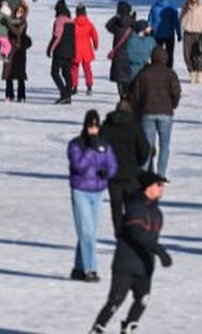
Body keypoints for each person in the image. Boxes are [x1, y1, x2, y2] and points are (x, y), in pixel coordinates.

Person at [89, 171, 173, 334]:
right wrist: (160, 251)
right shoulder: (135, 208)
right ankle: (98, 328)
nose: (162, 189)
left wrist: (156, 253)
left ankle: (128, 328)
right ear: (148, 188)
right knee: (115, 301)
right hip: (125, 265)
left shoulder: (157, 213)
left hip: (145, 266)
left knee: (142, 300)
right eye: (159, 185)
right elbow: (137, 234)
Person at [68, 109, 118, 282]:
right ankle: (90, 269)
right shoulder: (76, 144)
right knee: (87, 233)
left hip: (98, 193)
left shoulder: (105, 145)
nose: (93, 130)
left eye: (96, 126)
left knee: (88, 232)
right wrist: (91, 149)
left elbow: (112, 164)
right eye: (90, 126)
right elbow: (78, 166)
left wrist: (107, 173)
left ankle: (78, 268)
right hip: (80, 191)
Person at [100, 98, 151, 238]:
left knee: (116, 206)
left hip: (113, 175)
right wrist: (139, 164)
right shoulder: (135, 126)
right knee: (131, 206)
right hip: (131, 173)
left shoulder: (106, 127)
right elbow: (144, 149)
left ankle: (119, 233)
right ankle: (131, 233)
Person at [132, 47, 181, 178]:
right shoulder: (170, 74)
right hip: (166, 113)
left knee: (147, 145)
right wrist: (172, 105)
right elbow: (176, 92)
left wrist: (140, 108)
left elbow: (136, 94)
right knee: (164, 146)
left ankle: (144, 173)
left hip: (147, 112)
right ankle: (161, 174)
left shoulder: (144, 73)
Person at [47, 0, 76, 104]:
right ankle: (68, 96)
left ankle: (64, 94)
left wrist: (50, 48)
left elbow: (57, 36)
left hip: (60, 52)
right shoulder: (72, 21)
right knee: (67, 73)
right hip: (70, 52)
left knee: (54, 72)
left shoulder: (59, 20)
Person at [105, 2, 136, 98]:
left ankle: (121, 95)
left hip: (118, 55)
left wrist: (116, 17)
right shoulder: (131, 25)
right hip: (129, 55)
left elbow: (108, 25)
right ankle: (127, 93)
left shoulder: (117, 26)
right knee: (128, 77)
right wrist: (132, 18)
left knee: (119, 78)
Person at [3, 2, 31, 103]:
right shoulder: (10, 21)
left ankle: (21, 95)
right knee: (8, 72)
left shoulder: (23, 22)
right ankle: (9, 94)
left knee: (20, 74)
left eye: (21, 11)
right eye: (17, 11)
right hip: (10, 49)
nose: (19, 13)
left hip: (20, 50)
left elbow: (18, 31)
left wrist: (9, 25)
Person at [179, 0, 202, 83]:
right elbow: (181, 16)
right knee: (187, 55)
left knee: (197, 55)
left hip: (198, 33)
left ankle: (199, 72)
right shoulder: (186, 5)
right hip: (187, 32)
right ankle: (191, 72)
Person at [147, 0, 180, 69]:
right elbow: (176, 22)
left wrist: (150, 30)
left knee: (157, 52)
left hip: (157, 33)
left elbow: (150, 19)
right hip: (169, 34)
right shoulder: (172, 8)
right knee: (169, 53)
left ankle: (156, 67)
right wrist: (179, 34)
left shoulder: (155, 6)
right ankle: (168, 69)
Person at [72, 3, 99, 96]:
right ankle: (89, 86)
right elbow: (94, 35)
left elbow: (68, 36)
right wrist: (95, 45)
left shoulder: (73, 24)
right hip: (87, 50)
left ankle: (74, 86)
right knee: (87, 69)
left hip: (75, 50)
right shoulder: (89, 24)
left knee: (74, 69)